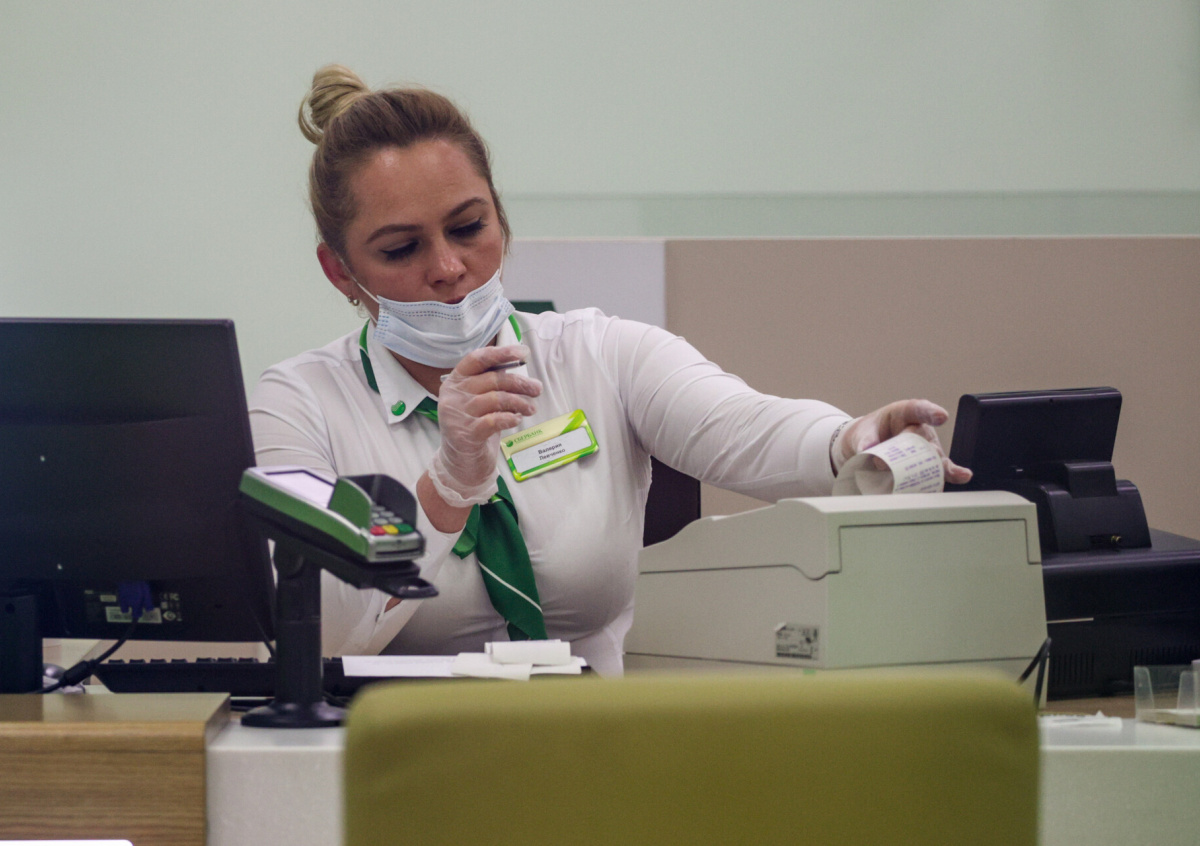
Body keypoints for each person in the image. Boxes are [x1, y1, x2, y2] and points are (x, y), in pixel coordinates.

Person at [249, 65, 972, 676]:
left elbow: (746, 427)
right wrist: (446, 487)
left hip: (593, 741)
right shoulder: (300, 403)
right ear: (340, 272)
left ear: (501, 218)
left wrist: (849, 439)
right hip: (394, 758)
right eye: (401, 249)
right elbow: (317, 635)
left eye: (469, 228)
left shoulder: (599, 354)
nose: (448, 267)